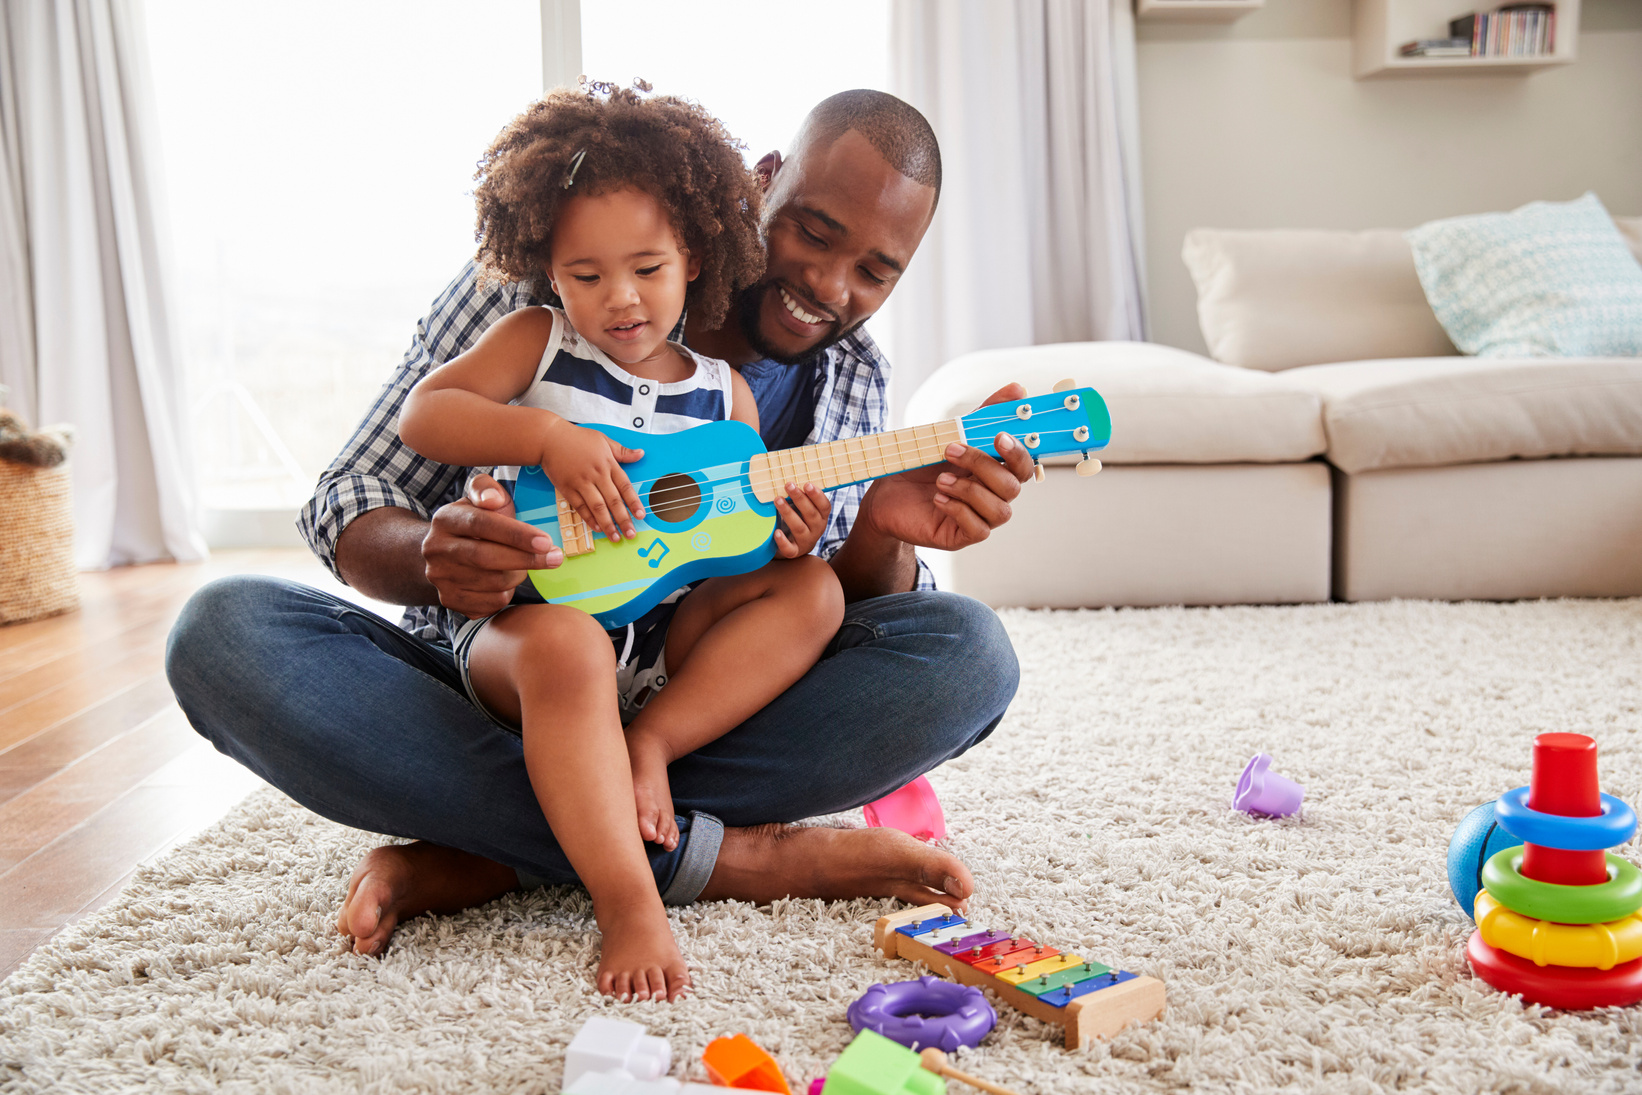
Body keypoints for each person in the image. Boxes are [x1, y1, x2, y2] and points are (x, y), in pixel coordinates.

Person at [165, 88, 1036, 998]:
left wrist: (886, 530)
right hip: (506, 667)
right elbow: (351, 495)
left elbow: (833, 617)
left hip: (681, 698)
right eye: (814, 234)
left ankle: (503, 851)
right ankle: (724, 859)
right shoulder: (543, 284)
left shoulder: (844, 376)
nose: (830, 286)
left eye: (875, 271)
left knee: (968, 656)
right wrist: (436, 556)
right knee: (223, 633)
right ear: (763, 183)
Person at [397, 84, 846, 1000]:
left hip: (658, 652)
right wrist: (545, 440)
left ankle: (648, 751)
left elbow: (725, 540)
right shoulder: (539, 342)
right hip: (533, 636)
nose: (621, 298)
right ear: (549, 271)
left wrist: (788, 539)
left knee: (818, 595)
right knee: (566, 647)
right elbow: (426, 415)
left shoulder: (726, 394)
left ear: (697, 254)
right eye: (586, 275)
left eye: (647, 267)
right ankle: (629, 896)